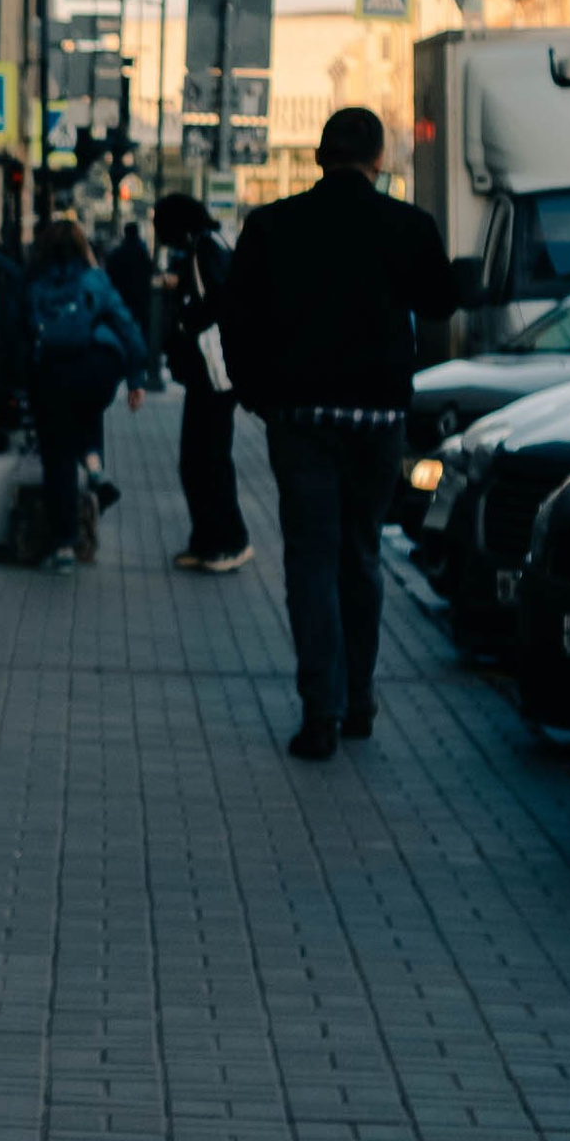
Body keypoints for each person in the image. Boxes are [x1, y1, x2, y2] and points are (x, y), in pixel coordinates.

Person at [218, 103, 459, 760]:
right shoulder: (406, 226)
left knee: (310, 560)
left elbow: (235, 318)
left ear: (321, 157)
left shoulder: (272, 226)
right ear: (379, 160)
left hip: (300, 421)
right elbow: (440, 302)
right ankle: (360, 698)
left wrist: (255, 393)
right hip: (378, 421)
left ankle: (317, 713)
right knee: (362, 553)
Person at [23, 215, 149, 570]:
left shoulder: (33, 283)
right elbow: (126, 325)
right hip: (96, 370)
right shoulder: (95, 280)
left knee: (58, 458)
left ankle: (64, 546)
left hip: (51, 373)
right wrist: (136, 378)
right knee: (85, 405)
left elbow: (19, 332)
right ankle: (95, 467)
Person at [156, 191, 250, 574]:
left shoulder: (206, 250)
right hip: (213, 376)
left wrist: (188, 318)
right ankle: (209, 540)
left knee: (206, 459)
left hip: (214, 375)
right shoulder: (211, 245)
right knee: (201, 459)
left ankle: (230, 541)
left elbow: (219, 301)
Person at [109, 219, 161, 391]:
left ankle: (124, 361)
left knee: (122, 331)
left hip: (123, 299)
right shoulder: (142, 253)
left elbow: (111, 275)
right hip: (141, 300)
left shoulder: (118, 253)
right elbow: (150, 273)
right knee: (144, 332)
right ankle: (142, 363)